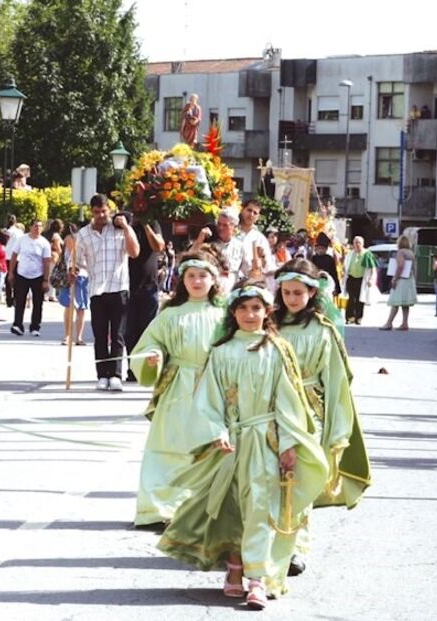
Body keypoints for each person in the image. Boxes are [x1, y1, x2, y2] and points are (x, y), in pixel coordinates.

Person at [156, 282, 329, 610]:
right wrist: (216, 430)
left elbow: (288, 401)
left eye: (256, 309)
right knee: (231, 507)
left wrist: (288, 444)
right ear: (233, 313)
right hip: (231, 443)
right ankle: (234, 568)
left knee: (260, 507)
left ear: (267, 312)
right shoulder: (221, 352)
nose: (250, 315)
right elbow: (208, 398)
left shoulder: (277, 350)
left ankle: (257, 579)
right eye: (243, 309)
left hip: (265, 442)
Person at [272, 259, 370, 575]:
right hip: (270, 411)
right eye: (286, 292)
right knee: (270, 478)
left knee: (300, 479)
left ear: (312, 293)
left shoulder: (323, 330)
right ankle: (266, 542)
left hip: (309, 413)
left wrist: (337, 427)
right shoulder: (268, 324)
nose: (291, 298)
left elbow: (337, 380)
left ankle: (296, 547)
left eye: (298, 292)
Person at [128, 252, 225, 527]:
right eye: (191, 276)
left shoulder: (225, 314)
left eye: (202, 275)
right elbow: (151, 341)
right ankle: (159, 508)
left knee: (208, 446)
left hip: (214, 385)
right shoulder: (170, 314)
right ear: (182, 280)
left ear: (213, 279)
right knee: (169, 444)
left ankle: (200, 510)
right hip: (178, 386)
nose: (197, 281)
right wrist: (153, 355)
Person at [73, 194, 140, 391]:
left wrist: (126, 227)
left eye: (104, 211)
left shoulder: (119, 229)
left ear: (109, 210)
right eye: (97, 212)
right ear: (91, 212)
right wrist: (73, 270)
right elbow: (76, 260)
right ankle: (102, 375)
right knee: (100, 335)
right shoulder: (84, 234)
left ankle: (116, 374)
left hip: (118, 287)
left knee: (118, 334)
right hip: (96, 289)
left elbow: (134, 252)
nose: (101, 215)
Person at [125, 217, 166, 381]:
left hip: (149, 286)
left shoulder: (153, 223)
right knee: (129, 332)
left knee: (147, 330)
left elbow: (159, 246)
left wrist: (146, 225)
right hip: (127, 286)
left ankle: (145, 369)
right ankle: (132, 369)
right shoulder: (125, 222)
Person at [8, 220, 51, 337]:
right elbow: (14, 255)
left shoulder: (44, 243)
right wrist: (11, 272)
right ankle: (18, 325)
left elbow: (46, 262)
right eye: (35, 226)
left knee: (37, 302)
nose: (37, 228)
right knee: (20, 300)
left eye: (40, 226)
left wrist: (46, 280)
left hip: (38, 275)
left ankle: (35, 326)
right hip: (22, 274)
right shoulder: (22, 239)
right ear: (30, 227)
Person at [190, 207, 245, 294]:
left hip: (231, 293)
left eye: (225, 225)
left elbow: (248, 271)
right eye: (219, 224)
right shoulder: (209, 244)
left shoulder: (240, 246)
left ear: (234, 227)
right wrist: (200, 239)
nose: (220, 228)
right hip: (210, 292)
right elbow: (189, 258)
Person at [58, 223, 89, 345]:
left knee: (81, 307)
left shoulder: (86, 239)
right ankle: (67, 336)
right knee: (69, 305)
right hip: (72, 274)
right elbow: (74, 255)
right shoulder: (71, 238)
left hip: (84, 275)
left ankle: (79, 337)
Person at [379, 236, 417, 331]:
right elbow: (414, 268)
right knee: (405, 303)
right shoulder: (411, 253)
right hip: (409, 279)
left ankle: (389, 323)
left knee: (395, 302)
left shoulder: (401, 252)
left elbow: (400, 265)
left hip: (401, 280)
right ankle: (405, 323)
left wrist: (395, 278)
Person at [342, 236, 377, 325]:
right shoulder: (350, 254)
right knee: (351, 299)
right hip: (351, 278)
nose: (357, 245)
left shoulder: (367, 254)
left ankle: (359, 318)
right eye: (355, 243)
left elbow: (373, 268)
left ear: (362, 244)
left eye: (359, 243)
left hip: (362, 279)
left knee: (360, 299)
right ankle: (350, 317)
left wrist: (372, 279)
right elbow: (345, 266)